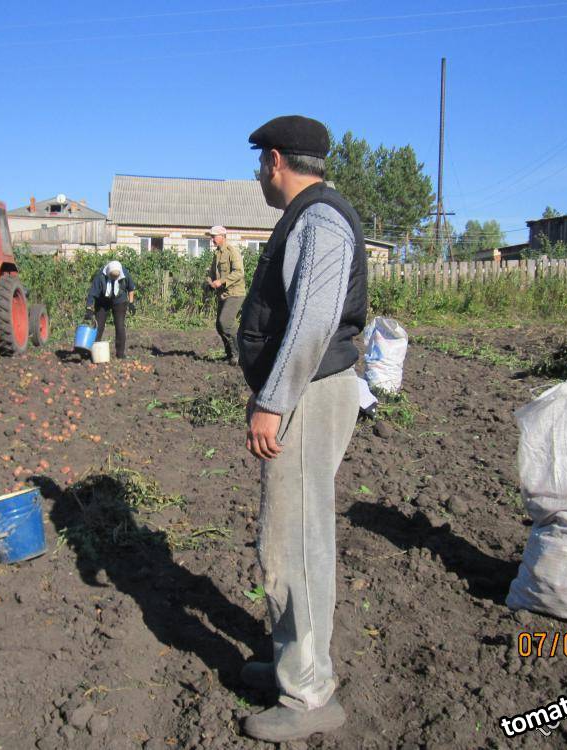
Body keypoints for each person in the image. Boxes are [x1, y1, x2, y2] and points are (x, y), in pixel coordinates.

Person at [236, 115, 367, 743]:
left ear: (276, 160)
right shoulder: (310, 218)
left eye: (259, 161)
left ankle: (310, 692)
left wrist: (273, 400)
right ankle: (296, 660)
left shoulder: (320, 220)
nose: (258, 173)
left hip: (308, 396)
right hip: (305, 393)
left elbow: (313, 322)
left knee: (293, 543)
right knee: (295, 537)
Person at [206, 226, 246, 365]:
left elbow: (239, 272)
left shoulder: (232, 251)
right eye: (211, 236)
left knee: (225, 323)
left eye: (214, 236)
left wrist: (222, 281)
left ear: (223, 236)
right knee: (219, 325)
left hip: (235, 293)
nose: (212, 239)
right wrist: (210, 281)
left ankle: (240, 354)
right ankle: (230, 355)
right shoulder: (217, 253)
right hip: (223, 294)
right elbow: (212, 273)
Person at [85, 259, 136, 359]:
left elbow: (131, 288)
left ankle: (120, 354)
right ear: (108, 273)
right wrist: (89, 308)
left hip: (119, 300)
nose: (114, 279)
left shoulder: (125, 273)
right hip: (102, 301)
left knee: (120, 326)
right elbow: (92, 293)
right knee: (98, 325)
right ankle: (94, 351)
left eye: (116, 277)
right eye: (112, 276)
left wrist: (131, 303)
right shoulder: (100, 276)